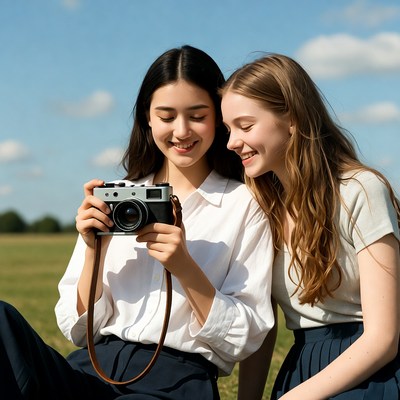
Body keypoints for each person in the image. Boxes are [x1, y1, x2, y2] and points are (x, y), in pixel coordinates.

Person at [0, 45, 275, 399]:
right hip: (91, 372)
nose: (181, 130)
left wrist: (185, 267)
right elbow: (80, 331)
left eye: (197, 115)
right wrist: (91, 251)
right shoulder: (118, 197)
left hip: (176, 384)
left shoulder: (244, 205)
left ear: (218, 118)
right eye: (166, 116)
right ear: (147, 117)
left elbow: (245, 335)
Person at [220, 53, 400, 399]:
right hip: (302, 366)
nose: (231, 142)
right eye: (229, 129)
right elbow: (264, 327)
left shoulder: (360, 191)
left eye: (245, 126)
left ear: (292, 119)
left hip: (371, 372)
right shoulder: (263, 206)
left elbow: (383, 339)